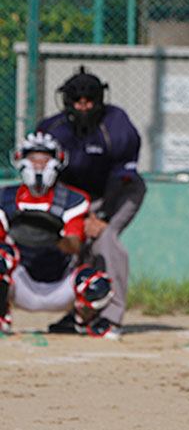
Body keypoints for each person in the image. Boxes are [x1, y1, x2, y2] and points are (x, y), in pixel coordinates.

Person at [35, 68, 143, 337]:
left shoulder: (116, 124)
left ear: (99, 100)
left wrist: (102, 216)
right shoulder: (52, 129)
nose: (83, 107)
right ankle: (81, 314)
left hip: (118, 194)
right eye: (77, 101)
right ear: (67, 102)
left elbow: (123, 179)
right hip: (75, 199)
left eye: (89, 101)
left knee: (105, 242)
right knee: (75, 252)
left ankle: (111, 317)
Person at [1, 133, 114, 335]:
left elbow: (74, 245)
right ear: (21, 159)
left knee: (97, 284)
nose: (39, 165)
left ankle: (80, 322)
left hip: (60, 285)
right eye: (33, 158)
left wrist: (49, 235)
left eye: (45, 159)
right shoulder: (5, 197)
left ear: (57, 161)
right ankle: (2, 318)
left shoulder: (73, 199)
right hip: (21, 283)